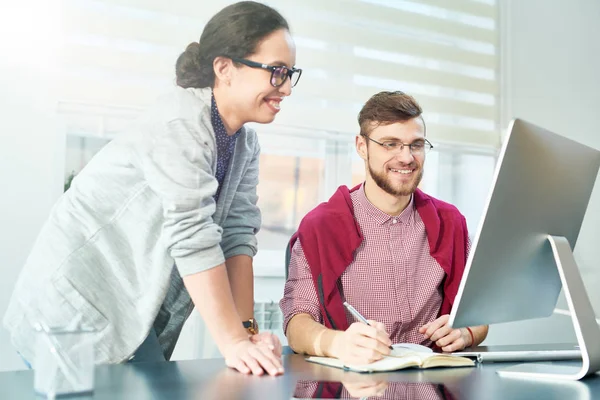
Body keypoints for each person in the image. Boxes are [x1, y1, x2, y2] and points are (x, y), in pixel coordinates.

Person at [4, 1, 302, 377]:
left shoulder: (244, 145)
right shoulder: (178, 123)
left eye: (290, 73)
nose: (287, 88)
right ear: (225, 68)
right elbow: (193, 235)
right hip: (72, 310)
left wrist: (248, 333)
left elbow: (237, 239)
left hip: (131, 313)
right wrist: (232, 343)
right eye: (276, 72)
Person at [280, 91, 488, 366]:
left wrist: (465, 333)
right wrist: (338, 343)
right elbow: (297, 322)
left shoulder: (451, 223)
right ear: (361, 146)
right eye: (390, 144)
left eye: (416, 145)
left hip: (435, 380)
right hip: (354, 383)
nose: (407, 158)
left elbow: (480, 319)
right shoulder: (321, 226)